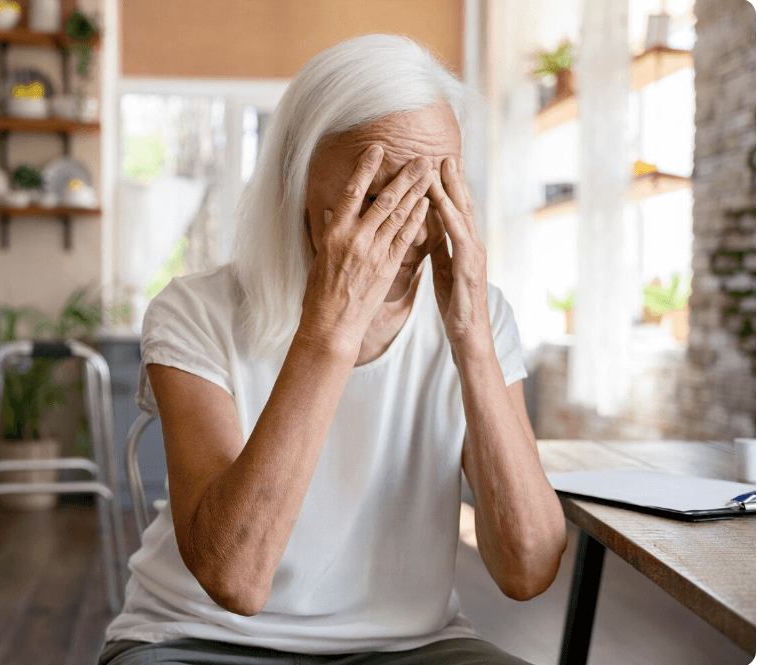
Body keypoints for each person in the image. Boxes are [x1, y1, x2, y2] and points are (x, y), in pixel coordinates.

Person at [100, 34, 568, 665]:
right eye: (379, 199)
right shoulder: (194, 312)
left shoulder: (482, 319)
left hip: (410, 646)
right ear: (297, 177)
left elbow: (529, 569)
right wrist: (330, 332)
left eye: (432, 197)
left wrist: (474, 345)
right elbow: (233, 577)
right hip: (200, 639)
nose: (411, 233)